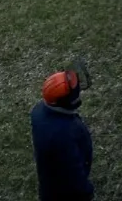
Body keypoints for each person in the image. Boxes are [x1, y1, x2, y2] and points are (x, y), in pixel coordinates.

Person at [30, 68, 94, 200]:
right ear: (66, 102)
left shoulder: (39, 111)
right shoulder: (64, 134)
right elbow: (73, 171)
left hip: (49, 183)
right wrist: (86, 191)